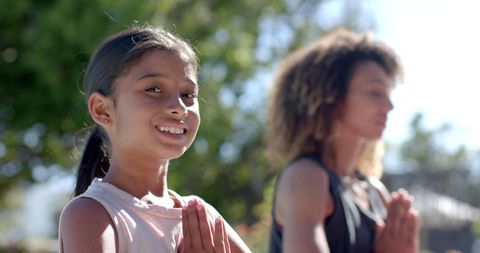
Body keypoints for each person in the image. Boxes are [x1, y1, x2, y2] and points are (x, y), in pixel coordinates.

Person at [58, 25, 251, 253]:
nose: (179, 108)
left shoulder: (200, 218)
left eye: (188, 94)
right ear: (103, 109)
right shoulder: (90, 215)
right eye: (154, 89)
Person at [266, 29, 420, 253]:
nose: (389, 106)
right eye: (375, 92)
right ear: (331, 97)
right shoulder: (305, 177)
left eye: (388, 94)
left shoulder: (375, 193)